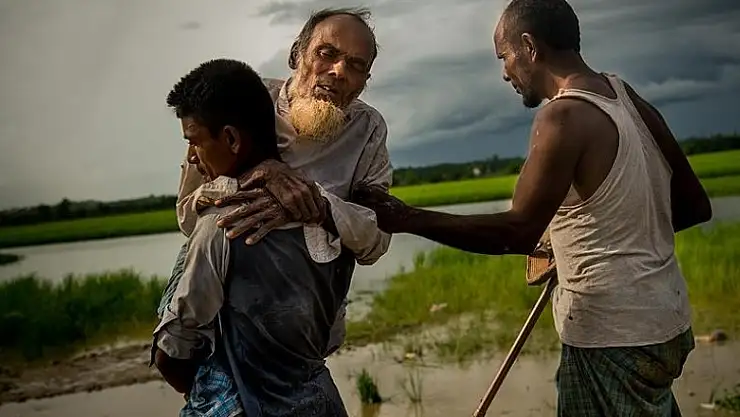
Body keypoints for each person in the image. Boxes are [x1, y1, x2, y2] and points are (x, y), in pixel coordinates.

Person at [352, 0, 712, 415]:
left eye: (504, 57)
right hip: (668, 323)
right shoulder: (625, 96)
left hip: (612, 335)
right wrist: (583, 243)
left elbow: (516, 233)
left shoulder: (562, 116)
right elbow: (693, 207)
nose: (505, 72)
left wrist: (404, 218)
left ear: (529, 47)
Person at [154, 8, 392, 416]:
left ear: (364, 81)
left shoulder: (367, 130)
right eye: (327, 53)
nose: (338, 71)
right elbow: (189, 217)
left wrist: (315, 205)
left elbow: (376, 238)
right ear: (297, 54)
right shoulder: (240, 102)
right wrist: (253, 181)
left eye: (356, 66)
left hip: (305, 336)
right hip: (226, 317)